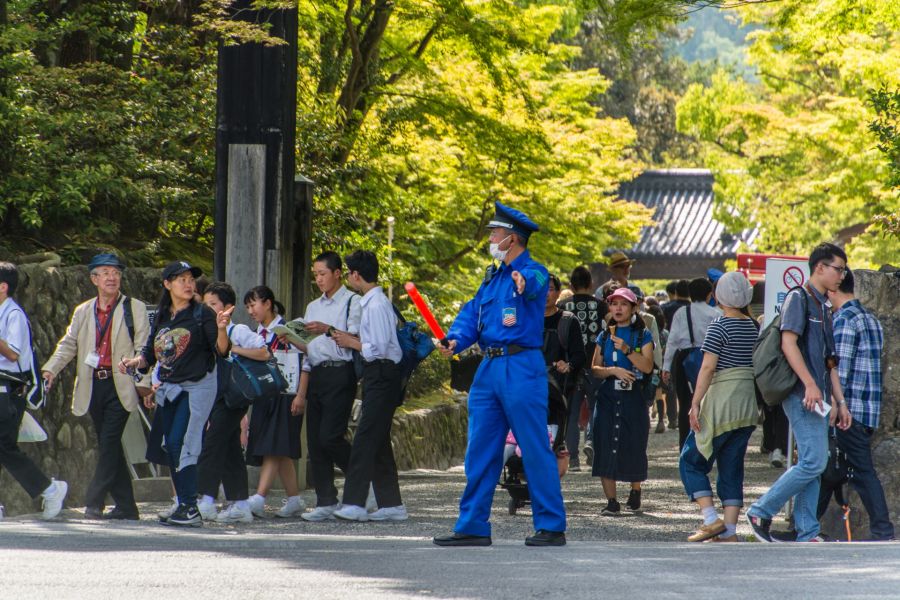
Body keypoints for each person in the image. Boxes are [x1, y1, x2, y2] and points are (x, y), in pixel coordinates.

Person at [433, 201, 567, 547]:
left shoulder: (533, 271)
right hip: (489, 368)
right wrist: (455, 340)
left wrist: (525, 283)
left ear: (511, 238)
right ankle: (473, 524)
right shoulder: (492, 278)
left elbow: (537, 284)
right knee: (480, 449)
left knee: (535, 446)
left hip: (522, 366)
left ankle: (551, 525)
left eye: (495, 232)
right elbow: (471, 314)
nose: (490, 237)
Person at [746, 243, 852, 543]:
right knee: (814, 462)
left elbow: (830, 361)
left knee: (812, 461)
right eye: (838, 269)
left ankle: (807, 531)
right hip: (800, 392)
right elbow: (788, 344)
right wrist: (808, 383)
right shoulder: (798, 298)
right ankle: (760, 510)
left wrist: (839, 401)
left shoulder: (824, 305)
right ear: (820, 267)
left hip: (817, 396)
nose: (841, 275)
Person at [120, 261, 230, 526]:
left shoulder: (202, 313)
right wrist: (136, 363)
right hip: (169, 388)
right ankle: (182, 504)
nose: (188, 283)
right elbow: (150, 353)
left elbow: (222, 350)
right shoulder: (162, 314)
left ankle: (191, 507)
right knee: (170, 446)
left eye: (190, 279)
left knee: (184, 443)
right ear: (167, 284)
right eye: (181, 279)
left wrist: (223, 327)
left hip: (197, 386)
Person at [42, 253, 149, 520]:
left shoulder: (133, 307)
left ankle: (94, 501)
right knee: (108, 445)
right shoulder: (84, 310)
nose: (112, 277)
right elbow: (68, 344)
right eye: (105, 272)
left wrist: (145, 384)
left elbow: (144, 347)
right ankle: (127, 506)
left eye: (116, 272)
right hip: (93, 384)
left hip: (121, 384)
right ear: (94, 279)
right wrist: (50, 368)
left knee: (110, 442)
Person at [678, 272, 758, 542]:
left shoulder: (719, 325)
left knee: (691, 460)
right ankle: (731, 532)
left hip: (722, 400)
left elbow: (708, 367)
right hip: (747, 404)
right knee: (732, 465)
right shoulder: (753, 326)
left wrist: (694, 402)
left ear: (719, 295)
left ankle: (711, 520)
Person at [329, 250, 407, 522]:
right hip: (380, 374)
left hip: (382, 373)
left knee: (364, 438)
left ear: (356, 275)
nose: (349, 276)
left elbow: (379, 347)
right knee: (378, 439)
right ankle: (391, 503)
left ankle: (354, 501)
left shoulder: (374, 304)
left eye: (349, 272)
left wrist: (353, 343)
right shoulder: (375, 302)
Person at [824, 269, 894, 541]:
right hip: (868, 410)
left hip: (848, 411)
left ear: (834, 289)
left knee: (862, 472)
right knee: (830, 472)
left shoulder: (843, 320)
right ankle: (807, 526)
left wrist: (835, 404)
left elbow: (837, 368)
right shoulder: (871, 319)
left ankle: (882, 529)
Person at [294, 252, 362, 522]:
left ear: (337, 273)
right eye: (316, 274)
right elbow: (310, 348)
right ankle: (325, 500)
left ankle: (360, 484)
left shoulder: (352, 302)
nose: (319, 279)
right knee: (315, 440)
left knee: (331, 436)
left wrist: (327, 329)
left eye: (323, 273)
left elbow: (357, 338)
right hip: (317, 372)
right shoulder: (312, 306)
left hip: (341, 372)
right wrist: (293, 338)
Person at [195, 282, 269, 523]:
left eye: (213, 305)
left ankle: (204, 499)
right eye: (206, 305)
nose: (208, 309)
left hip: (233, 397)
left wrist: (233, 349)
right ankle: (240, 504)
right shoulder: (210, 331)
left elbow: (264, 351)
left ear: (228, 307)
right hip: (218, 395)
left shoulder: (237, 331)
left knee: (212, 444)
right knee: (230, 450)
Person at [0, 262, 68, 519]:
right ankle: (49, 489)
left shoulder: (13, 314)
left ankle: (50, 489)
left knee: (4, 447)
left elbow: (13, 352)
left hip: (9, 387)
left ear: (3, 287)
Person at [242, 285, 306, 518]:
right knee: (280, 448)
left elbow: (307, 361)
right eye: (247, 306)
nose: (251, 310)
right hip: (264, 395)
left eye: (254, 304)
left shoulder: (289, 329)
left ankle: (259, 497)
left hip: (286, 393)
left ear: (268, 303)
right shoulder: (254, 335)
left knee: (273, 445)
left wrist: (301, 394)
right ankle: (294, 499)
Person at [590, 287, 654, 516]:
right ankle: (612, 501)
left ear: (633, 308)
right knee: (605, 443)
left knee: (634, 443)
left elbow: (647, 367)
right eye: (614, 303)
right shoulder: (604, 334)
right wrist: (613, 370)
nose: (618, 308)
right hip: (608, 396)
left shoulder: (643, 335)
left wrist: (626, 350)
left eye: (623, 304)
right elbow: (594, 368)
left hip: (633, 396)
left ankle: (635, 489)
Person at [662, 277, 720, 448]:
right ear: (710, 294)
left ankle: (685, 445)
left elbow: (672, 341)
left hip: (684, 360)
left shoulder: (682, 313)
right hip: (710, 359)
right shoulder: (716, 314)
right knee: (708, 403)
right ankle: (707, 444)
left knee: (686, 402)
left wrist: (666, 367)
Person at [558, 265, 604, 471]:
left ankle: (573, 458)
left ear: (570, 285)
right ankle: (591, 442)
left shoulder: (562, 306)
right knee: (596, 408)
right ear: (591, 284)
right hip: (595, 364)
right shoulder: (601, 306)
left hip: (570, 366)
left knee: (572, 412)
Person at [543, 274, 586, 471]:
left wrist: (567, 365)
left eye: (550, 289)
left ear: (558, 293)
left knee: (557, 436)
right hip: (527, 386)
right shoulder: (525, 322)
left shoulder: (568, 321)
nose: (545, 294)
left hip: (559, 388)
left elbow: (579, 356)